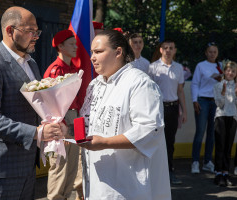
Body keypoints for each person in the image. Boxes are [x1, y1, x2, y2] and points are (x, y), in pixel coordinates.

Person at [0, 6, 67, 200]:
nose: (36, 36)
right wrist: (36, 133)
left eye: (37, 31)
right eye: (30, 30)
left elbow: (35, 106)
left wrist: (52, 122)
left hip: (27, 164)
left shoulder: (31, 63)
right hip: (1, 167)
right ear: (9, 31)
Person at [78, 30, 171, 200]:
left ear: (118, 52)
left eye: (98, 52)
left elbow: (149, 130)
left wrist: (105, 142)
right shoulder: (95, 84)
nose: (92, 57)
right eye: (92, 52)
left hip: (126, 185)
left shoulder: (139, 83)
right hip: (96, 182)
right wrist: (67, 131)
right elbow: (87, 122)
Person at [43, 29, 83, 200]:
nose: (76, 47)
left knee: (72, 168)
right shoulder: (55, 70)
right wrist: (60, 125)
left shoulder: (74, 68)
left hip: (75, 118)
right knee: (59, 167)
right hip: (62, 120)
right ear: (60, 46)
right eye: (71, 44)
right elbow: (49, 102)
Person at [148, 39, 187, 185]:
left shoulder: (178, 68)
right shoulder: (153, 68)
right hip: (158, 108)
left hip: (173, 108)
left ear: (175, 50)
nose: (168, 50)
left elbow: (180, 90)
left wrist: (184, 111)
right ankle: (155, 173)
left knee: (170, 142)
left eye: (171, 48)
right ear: (160, 50)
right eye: (165, 48)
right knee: (157, 140)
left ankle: (170, 172)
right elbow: (149, 91)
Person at [191, 42, 222, 174]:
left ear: (217, 53)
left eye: (214, 52)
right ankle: (195, 161)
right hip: (202, 100)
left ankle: (208, 161)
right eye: (210, 51)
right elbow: (195, 84)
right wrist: (195, 100)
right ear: (206, 53)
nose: (212, 54)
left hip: (215, 101)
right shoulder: (200, 65)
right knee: (200, 132)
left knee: (212, 133)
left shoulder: (220, 66)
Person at [213, 61, 237, 187]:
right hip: (221, 117)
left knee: (228, 146)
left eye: (233, 71)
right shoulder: (218, 85)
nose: (230, 73)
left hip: (232, 117)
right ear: (224, 71)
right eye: (228, 70)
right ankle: (218, 173)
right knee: (220, 146)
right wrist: (223, 93)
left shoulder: (236, 86)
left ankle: (226, 172)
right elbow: (219, 104)